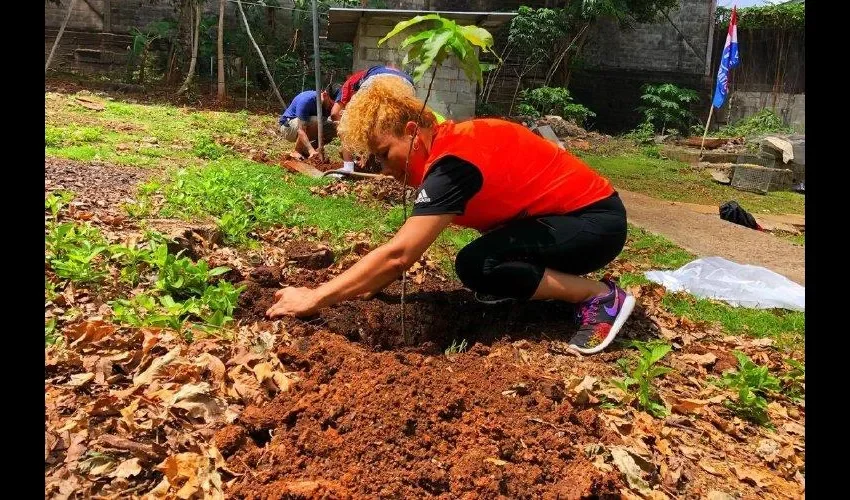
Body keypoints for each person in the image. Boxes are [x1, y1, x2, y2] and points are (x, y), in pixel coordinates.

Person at [266, 77, 634, 355]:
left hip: (595, 223)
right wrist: (366, 285)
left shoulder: (453, 163)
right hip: (561, 218)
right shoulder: (450, 144)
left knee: (478, 265)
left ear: (412, 133)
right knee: (486, 266)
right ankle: (533, 287)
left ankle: (600, 296)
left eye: (384, 154)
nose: (384, 169)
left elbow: (400, 254)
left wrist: (315, 297)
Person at [329, 64, 445, 173]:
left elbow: (334, 114)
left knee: (346, 122)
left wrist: (353, 139)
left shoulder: (349, 82)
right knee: (402, 128)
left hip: (376, 81)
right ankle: (410, 167)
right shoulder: (376, 72)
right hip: (406, 83)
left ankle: (348, 167)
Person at [279, 84, 340, 160]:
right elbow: (301, 129)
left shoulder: (328, 106)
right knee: (317, 121)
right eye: (331, 104)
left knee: (335, 128)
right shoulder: (307, 100)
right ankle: (297, 151)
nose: (332, 107)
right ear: (325, 95)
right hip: (288, 128)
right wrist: (311, 150)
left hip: (306, 125)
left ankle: (308, 151)